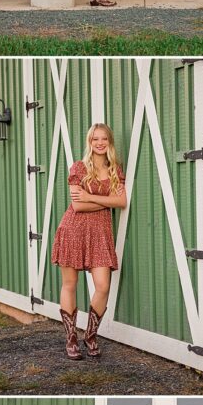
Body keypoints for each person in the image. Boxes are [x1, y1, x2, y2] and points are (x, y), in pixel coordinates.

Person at [51, 123, 127, 359]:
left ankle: (90, 335)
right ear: (89, 142)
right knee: (70, 284)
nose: (100, 143)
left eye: (104, 139)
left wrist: (90, 197)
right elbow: (77, 205)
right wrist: (106, 200)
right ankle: (71, 338)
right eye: (95, 139)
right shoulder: (79, 168)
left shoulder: (115, 169)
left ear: (110, 142)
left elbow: (122, 201)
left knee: (103, 285)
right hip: (73, 229)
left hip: (100, 233)